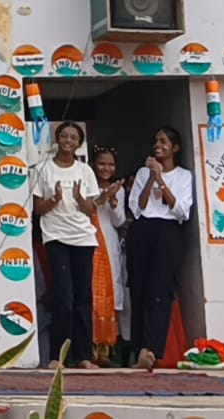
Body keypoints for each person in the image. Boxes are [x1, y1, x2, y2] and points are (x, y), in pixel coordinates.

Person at [32, 121, 99, 369]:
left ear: (79, 144)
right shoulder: (43, 169)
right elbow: (37, 209)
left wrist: (80, 198)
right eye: (64, 136)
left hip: (83, 237)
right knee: (64, 297)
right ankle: (57, 357)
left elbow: (91, 209)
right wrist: (55, 200)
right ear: (57, 139)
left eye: (74, 138)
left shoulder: (85, 171)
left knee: (83, 297)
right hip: (56, 237)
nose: (68, 141)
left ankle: (83, 356)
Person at [127, 126, 193, 370]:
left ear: (174, 148)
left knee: (160, 290)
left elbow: (181, 210)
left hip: (168, 231)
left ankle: (152, 349)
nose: (158, 145)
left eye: (164, 141)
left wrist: (162, 180)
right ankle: (138, 349)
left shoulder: (184, 176)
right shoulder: (144, 172)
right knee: (139, 288)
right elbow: (137, 207)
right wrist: (151, 177)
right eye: (155, 141)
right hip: (143, 230)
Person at [90, 145, 129, 366]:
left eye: (110, 164)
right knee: (92, 297)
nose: (106, 168)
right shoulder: (87, 184)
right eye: (102, 163)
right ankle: (90, 348)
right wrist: (102, 197)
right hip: (91, 242)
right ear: (94, 165)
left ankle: (105, 349)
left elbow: (119, 221)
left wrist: (114, 203)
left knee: (108, 296)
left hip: (109, 243)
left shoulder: (119, 189)